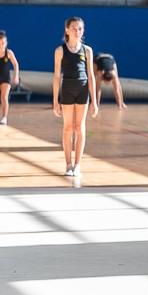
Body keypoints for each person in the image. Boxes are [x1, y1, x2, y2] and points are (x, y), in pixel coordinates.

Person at [52, 17, 99, 177]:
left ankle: (78, 165)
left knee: (79, 127)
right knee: (68, 128)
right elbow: (57, 76)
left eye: (79, 29)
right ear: (67, 30)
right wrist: (55, 101)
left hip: (82, 91)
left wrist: (94, 101)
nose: (77, 31)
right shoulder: (60, 51)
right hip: (67, 90)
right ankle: (68, 165)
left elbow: (91, 76)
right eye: (73, 28)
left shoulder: (87, 50)